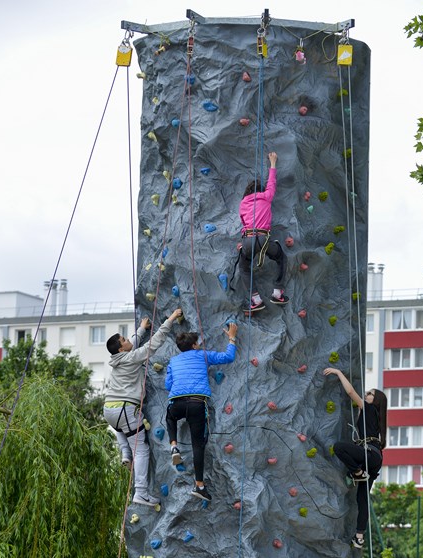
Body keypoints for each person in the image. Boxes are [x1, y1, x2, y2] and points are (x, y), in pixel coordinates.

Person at [104, 308, 182, 506]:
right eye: (124, 340)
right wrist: (171, 319)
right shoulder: (130, 357)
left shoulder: (118, 358)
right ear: (121, 349)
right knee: (142, 450)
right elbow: (152, 345)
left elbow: (133, 345)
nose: (128, 340)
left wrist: (140, 329)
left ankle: (124, 454)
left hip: (110, 411)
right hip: (125, 409)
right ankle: (140, 492)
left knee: (126, 435)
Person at [165, 321, 238, 502]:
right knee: (198, 445)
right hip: (197, 403)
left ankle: (173, 444)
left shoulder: (173, 361)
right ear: (194, 345)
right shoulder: (202, 355)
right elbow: (228, 357)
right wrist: (232, 337)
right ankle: (199, 485)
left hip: (177, 403)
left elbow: (168, 385)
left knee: (170, 417)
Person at [323, 368, 387, 550]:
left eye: (370, 394)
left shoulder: (369, 409)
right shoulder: (375, 417)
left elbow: (350, 392)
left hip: (369, 455)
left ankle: (358, 472)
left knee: (339, 447)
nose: (366, 395)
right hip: (375, 458)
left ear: (375, 401)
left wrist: (338, 372)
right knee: (362, 498)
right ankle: (359, 537)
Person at [238, 151, 288, 314]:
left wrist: (243, 242)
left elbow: (244, 224)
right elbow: (271, 182)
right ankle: (277, 292)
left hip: (248, 239)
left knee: (244, 267)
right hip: (264, 240)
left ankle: (256, 300)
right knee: (281, 257)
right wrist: (273, 163)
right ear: (260, 191)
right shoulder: (266, 196)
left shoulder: (243, 203)